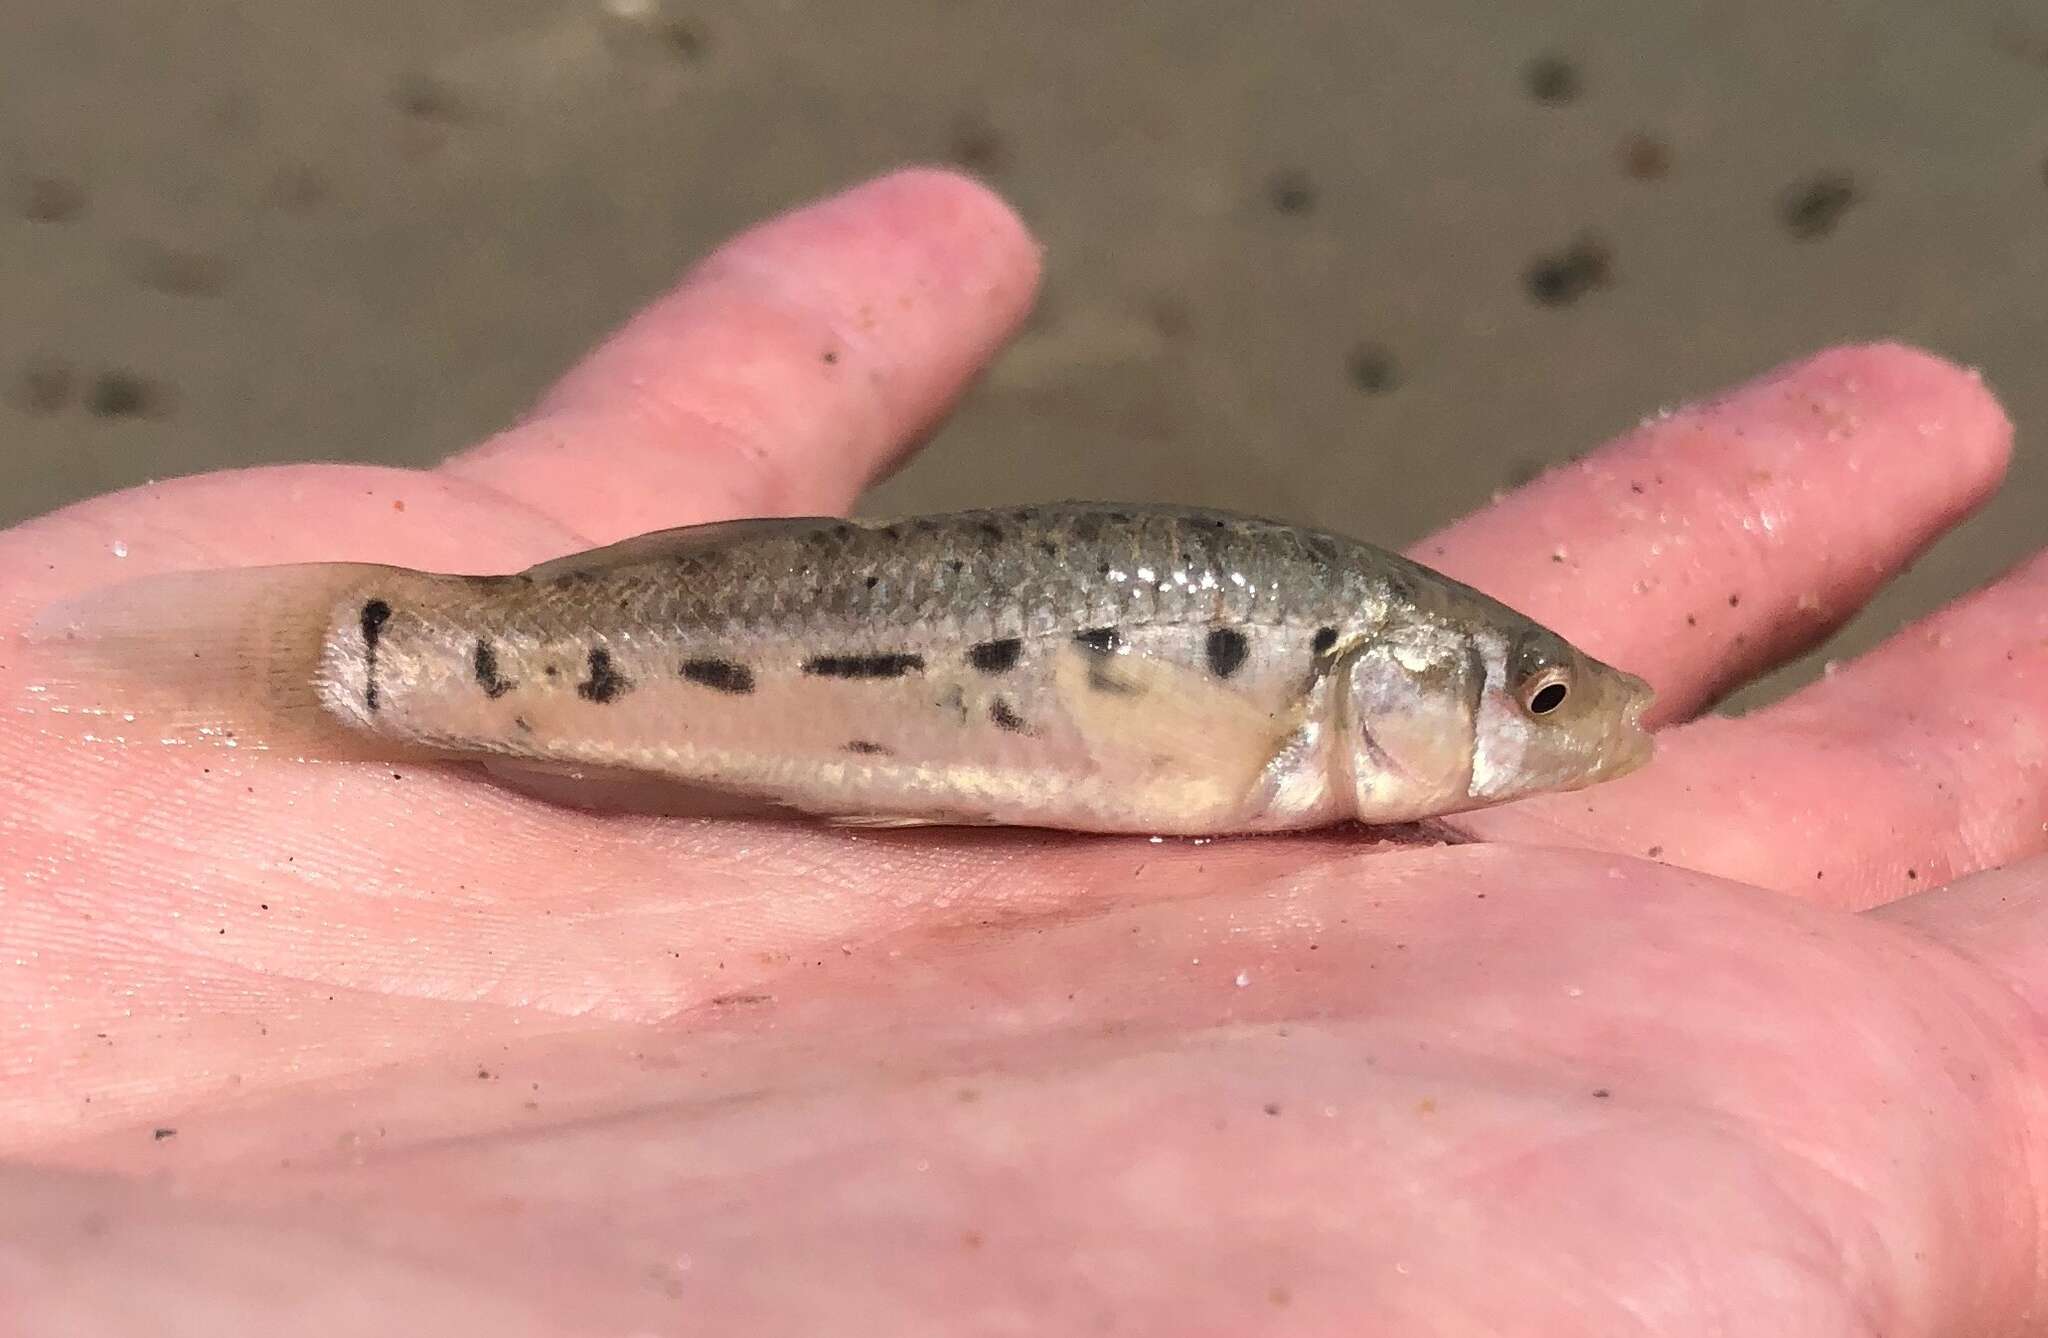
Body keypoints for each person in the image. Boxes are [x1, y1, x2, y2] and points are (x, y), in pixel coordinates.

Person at [3, 167, 2043, 1334]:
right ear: (1370, 691)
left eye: (1545, 703)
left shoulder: (1346, 666)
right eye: (1530, 701)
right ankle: (366, 668)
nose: (1577, 730)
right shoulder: (1325, 676)